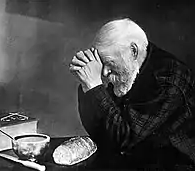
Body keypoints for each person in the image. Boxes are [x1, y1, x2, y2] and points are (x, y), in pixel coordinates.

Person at [69, 18, 195, 169]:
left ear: (133, 51)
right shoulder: (124, 72)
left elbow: (125, 141)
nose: (104, 72)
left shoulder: (168, 78)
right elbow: (100, 133)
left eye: (109, 62)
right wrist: (87, 86)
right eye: (101, 64)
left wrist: (94, 85)